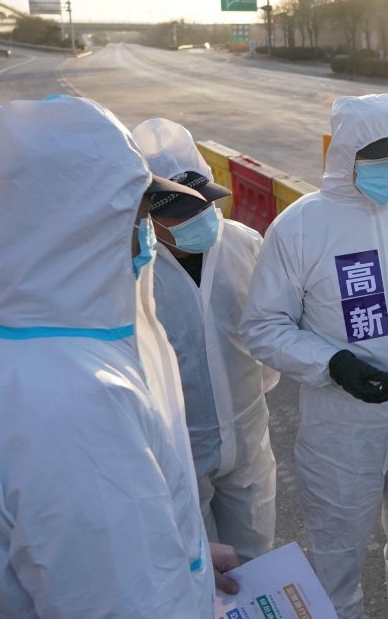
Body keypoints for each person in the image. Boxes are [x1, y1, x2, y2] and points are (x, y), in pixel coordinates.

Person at [0, 95, 238, 617]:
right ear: (70, 227)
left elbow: (87, 552)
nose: (144, 238)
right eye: (136, 217)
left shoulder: (22, 336)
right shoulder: (73, 399)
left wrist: (184, 550)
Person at [240, 93, 388, 619]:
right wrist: (333, 364)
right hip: (341, 430)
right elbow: (263, 325)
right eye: (377, 156)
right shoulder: (302, 226)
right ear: (345, 155)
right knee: (335, 562)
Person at [133, 117, 278, 562]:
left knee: (255, 563)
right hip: (178, 448)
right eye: (181, 211)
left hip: (249, 436)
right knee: (193, 569)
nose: (199, 218)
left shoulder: (243, 243)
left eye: (203, 204)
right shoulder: (135, 270)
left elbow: (269, 333)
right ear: (148, 215)